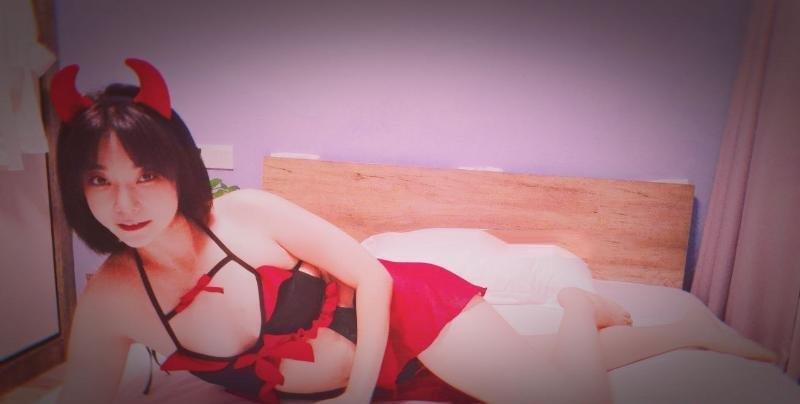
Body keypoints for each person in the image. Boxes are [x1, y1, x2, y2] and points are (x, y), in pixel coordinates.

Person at [53, 59, 776, 404]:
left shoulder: (247, 214)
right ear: (78, 191)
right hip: (375, 381)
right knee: (544, 376)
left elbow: (371, 274)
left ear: (179, 167)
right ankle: (655, 332)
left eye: (145, 174)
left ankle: (576, 306)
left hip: (405, 319)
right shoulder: (114, 299)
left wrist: (355, 399)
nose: (127, 202)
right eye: (100, 181)